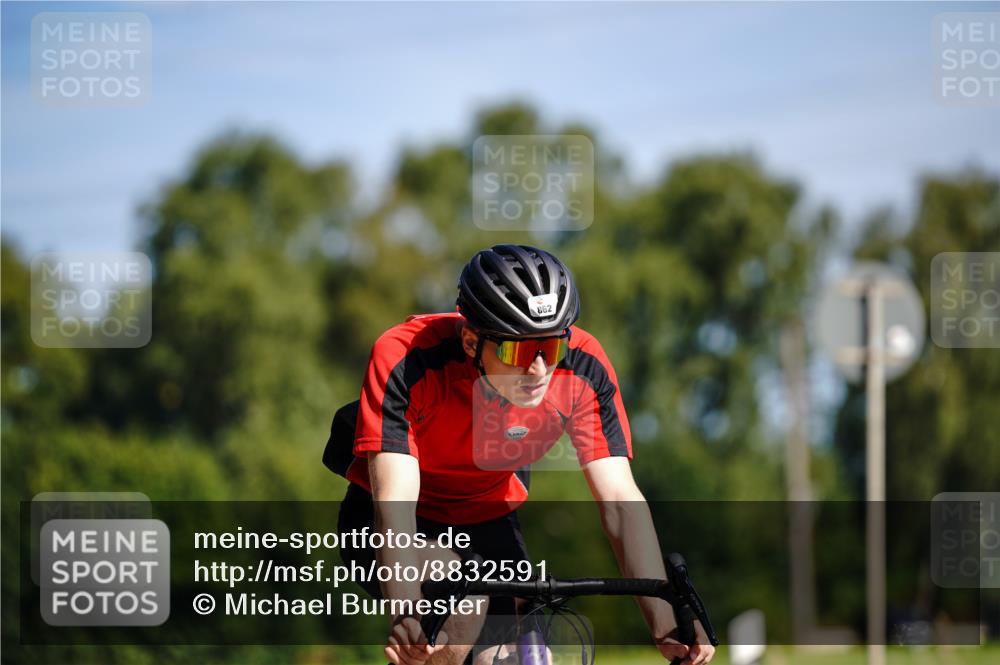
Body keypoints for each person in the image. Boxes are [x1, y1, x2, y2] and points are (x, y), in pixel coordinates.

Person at [336, 244, 714, 665]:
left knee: (526, 654)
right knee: (460, 607)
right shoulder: (406, 358)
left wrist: (664, 621)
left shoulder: (584, 368)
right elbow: (395, 503)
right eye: (518, 351)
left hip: (489, 516)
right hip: (393, 519)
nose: (538, 370)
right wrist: (407, 613)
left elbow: (621, 502)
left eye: (551, 349)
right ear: (470, 341)